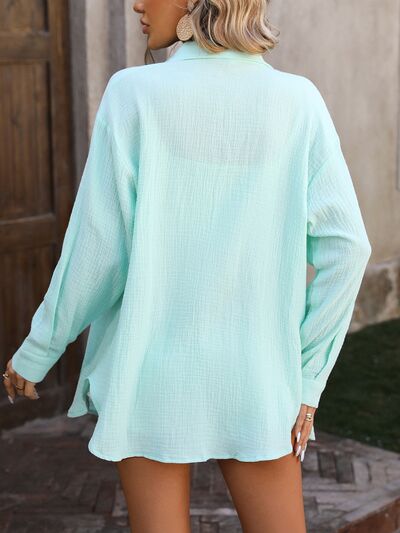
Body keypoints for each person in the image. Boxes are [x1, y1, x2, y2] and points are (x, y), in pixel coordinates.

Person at [3, 0, 372, 531]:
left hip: (149, 376)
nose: (135, 4)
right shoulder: (298, 101)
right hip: (259, 380)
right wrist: (306, 378)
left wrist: (40, 349)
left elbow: (99, 249)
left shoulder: (134, 94)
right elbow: (348, 248)